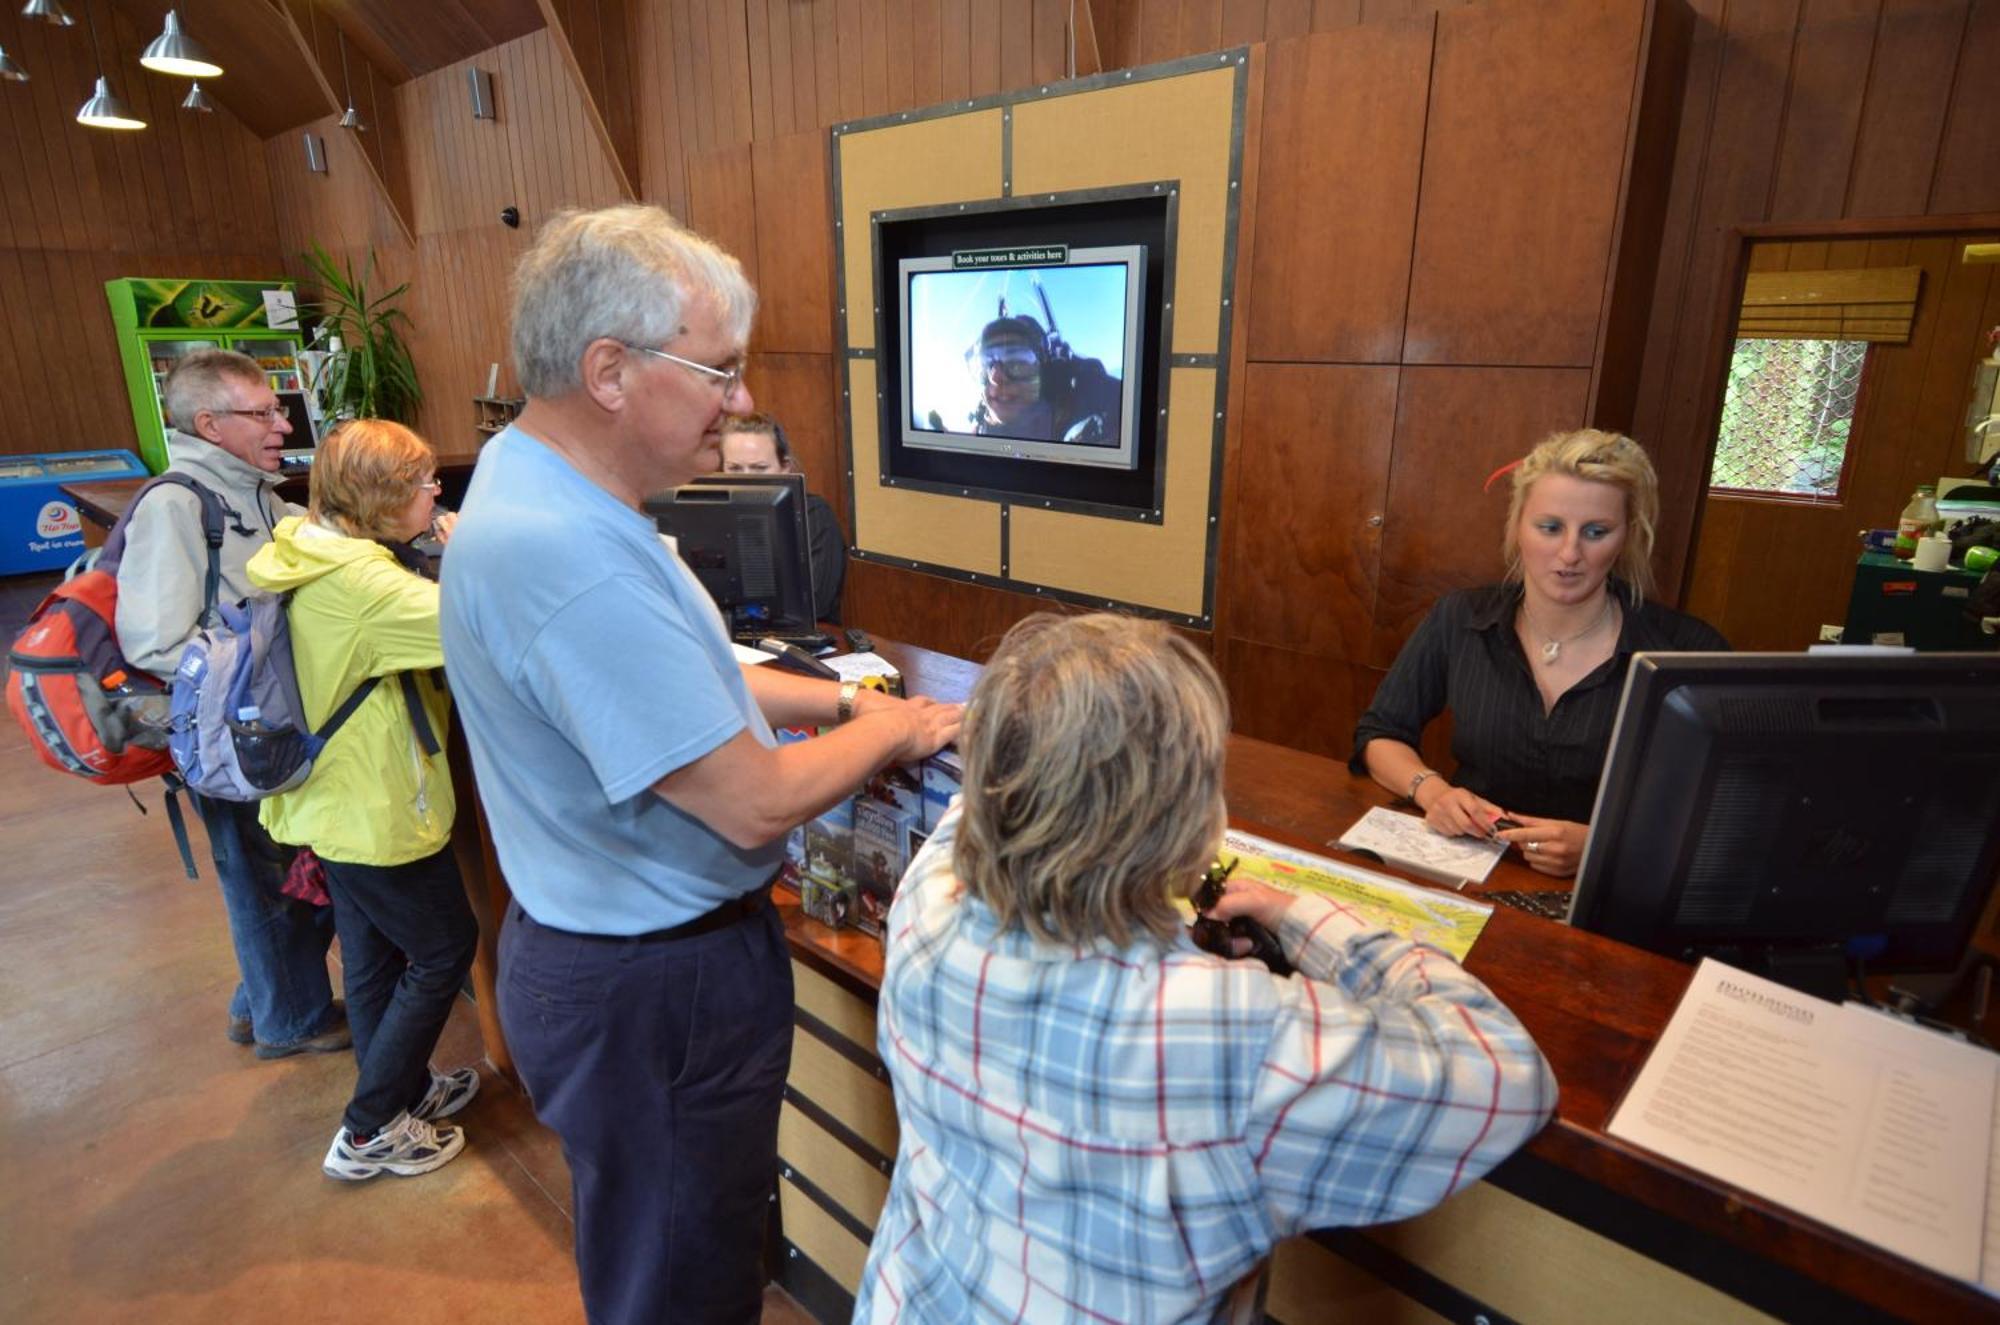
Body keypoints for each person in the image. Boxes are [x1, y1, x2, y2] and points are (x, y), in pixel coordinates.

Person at [439, 204, 962, 1324]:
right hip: (654, 985)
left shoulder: (541, 482)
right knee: (677, 1278)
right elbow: (749, 797)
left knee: (673, 1241)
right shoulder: (566, 552)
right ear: (610, 370)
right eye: (718, 370)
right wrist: (895, 729)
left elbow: (692, 678)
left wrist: (837, 693)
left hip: (615, 961)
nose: (735, 402)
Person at [856, 613, 1556, 1322]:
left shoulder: (926, 896)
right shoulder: (1228, 1031)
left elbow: (991, 815)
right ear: (1181, 823)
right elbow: (1507, 1071)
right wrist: (1298, 915)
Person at [246, 419, 480, 1181]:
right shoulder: (367, 585)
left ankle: (400, 1093)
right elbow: (484, 626)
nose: (436, 488)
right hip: (377, 810)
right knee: (445, 948)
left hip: (331, 804)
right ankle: (371, 1124)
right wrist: (473, 543)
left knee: (376, 959)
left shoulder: (308, 547)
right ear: (380, 499)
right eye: (421, 483)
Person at [1352, 429, 1728, 877]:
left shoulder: (1688, 652)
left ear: (1627, 537)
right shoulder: (1460, 618)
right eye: (1550, 527)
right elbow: (1380, 734)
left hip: (1606, 887)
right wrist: (1432, 792)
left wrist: (1603, 844)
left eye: (1596, 532)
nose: (1569, 553)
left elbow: (1724, 809)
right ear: (1517, 527)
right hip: (1468, 869)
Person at [115, 348, 345, 1058]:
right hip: (226, 728)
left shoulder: (258, 493)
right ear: (210, 424)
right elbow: (154, 639)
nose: (281, 423)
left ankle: (262, 1001)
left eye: (278, 409)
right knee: (261, 875)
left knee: (288, 864)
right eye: (263, 412)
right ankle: (291, 1020)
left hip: (270, 723)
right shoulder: (177, 504)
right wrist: (245, 665)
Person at [717, 412, 846, 621]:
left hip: (798, 641)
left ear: (785, 467)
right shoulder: (714, 515)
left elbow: (815, 603)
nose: (745, 478)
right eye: (734, 468)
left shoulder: (813, 515)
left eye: (759, 468)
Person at [966, 310, 1122, 444]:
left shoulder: (1088, 395)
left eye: (1016, 361)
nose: (995, 377)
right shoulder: (980, 428)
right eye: (986, 364)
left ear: (1046, 371)